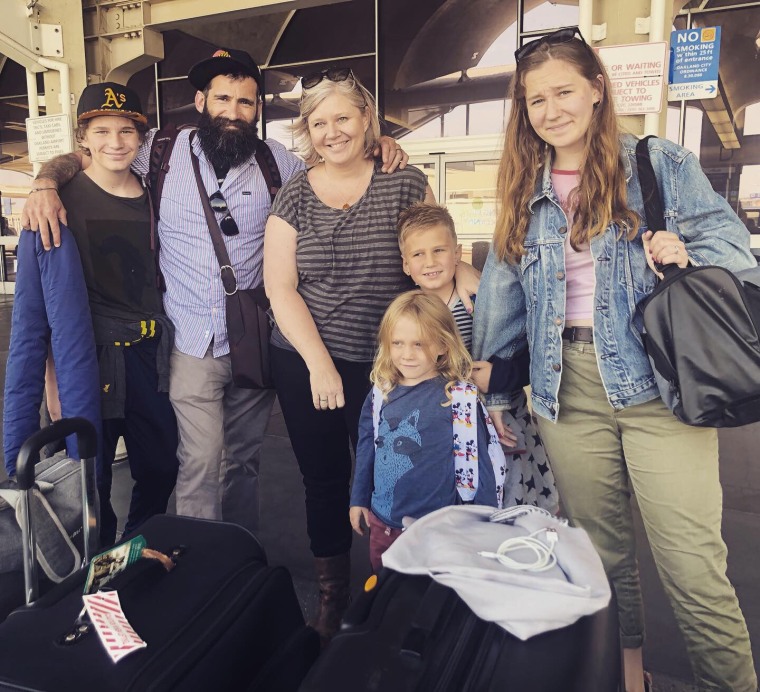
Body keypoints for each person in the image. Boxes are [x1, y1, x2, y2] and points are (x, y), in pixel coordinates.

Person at [21, 49, 409, 537]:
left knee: (244, 461)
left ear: (257, 110)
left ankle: (238, 556)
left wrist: (380, 145)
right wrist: (43, 183)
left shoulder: (279, 163)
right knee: (200, 460)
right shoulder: (160, 150)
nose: (233, 111)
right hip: (188, 340)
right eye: (223, 98)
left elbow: (335, 162)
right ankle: (196, 558)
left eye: (246, 102)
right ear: (201, 100)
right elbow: (88, 155)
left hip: (253, 339)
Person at [472, 27, 756, 692]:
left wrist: (686, 252)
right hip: (565, 389)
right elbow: (502, 296)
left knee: (691, 565)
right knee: (601, 560)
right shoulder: (525, 185)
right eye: (534, 100)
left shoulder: (657, 163)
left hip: (662, 386)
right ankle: (629, 679)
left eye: (563, 91)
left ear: (597, 89)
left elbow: (735, 249)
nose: (550, 110)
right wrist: (499, 391)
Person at [263, 68, 478, 641]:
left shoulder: (402, 181)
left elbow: (439, 256)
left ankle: (406, 587)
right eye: (319, 122)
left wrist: (483, 296)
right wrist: (319, 362)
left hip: (396, 363)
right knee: (326, 481)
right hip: (308, 360)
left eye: (343, 118)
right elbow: (280, 286)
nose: (332, 131)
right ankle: (332, 598)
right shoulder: (295, 193)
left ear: (366, 121)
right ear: (307, 131)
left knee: (403, 473)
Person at [6, 83, 179, 547]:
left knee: (162, 465)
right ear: (83, 138)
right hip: (87, 359)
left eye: (127, 130)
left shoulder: (156, 194)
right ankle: (95, 568)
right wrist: (52, 380)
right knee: (89, 475)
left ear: (141, 137)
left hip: (150, 356)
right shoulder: (59, 201)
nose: (116, 141)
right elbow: (39, 308)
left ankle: (134, 549)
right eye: (101, 130)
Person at [396, 201, 556, 511]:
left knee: (507, 501)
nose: (430, 262)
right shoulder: (406, 313)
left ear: (457, 254)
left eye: (439, 250)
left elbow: (527, 351)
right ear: (406, 264)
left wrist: (499, 376)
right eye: (418, 254)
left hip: (499, 418)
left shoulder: (483, 300)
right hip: (441, 427)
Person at [349, 291, 500, 572]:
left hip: (440, 529)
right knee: (387, 598)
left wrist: (485, 522)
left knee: (430, 603)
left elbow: (481, 461)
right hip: (384, 523)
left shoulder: (458, 398)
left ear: (443, 345)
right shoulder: (381, 392)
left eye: (419, 344)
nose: (407, 355)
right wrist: (358, 498)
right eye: (398, 343)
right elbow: (368, 443)